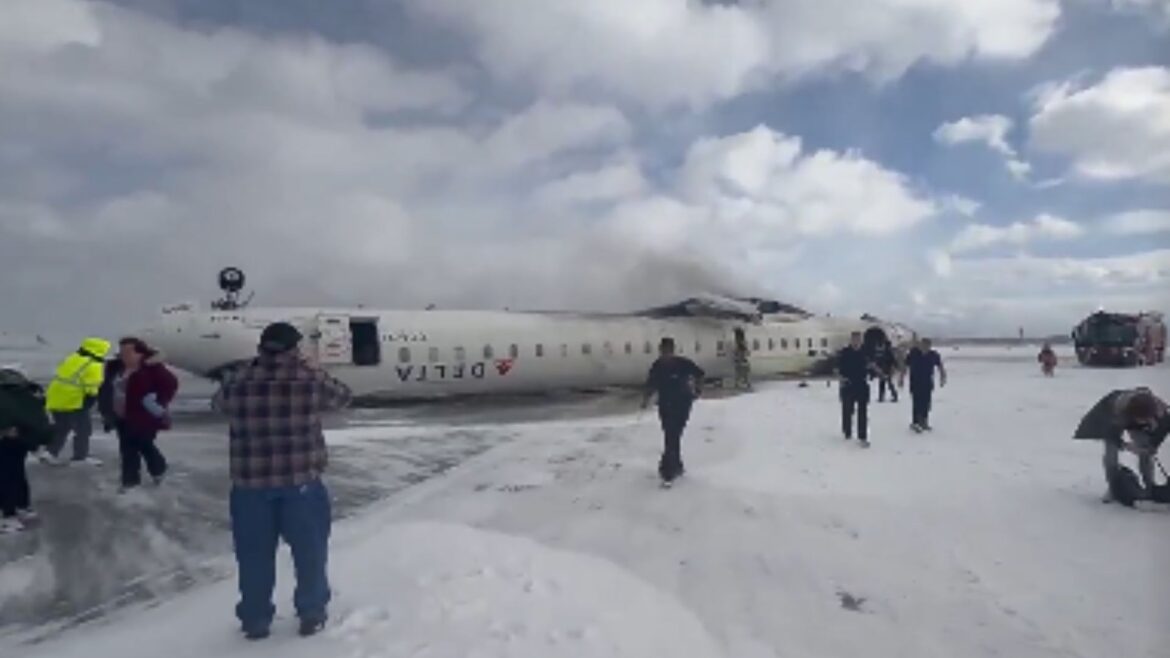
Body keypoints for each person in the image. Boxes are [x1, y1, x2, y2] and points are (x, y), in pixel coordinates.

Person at [212, 322, 352, 640]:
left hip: (249, 487)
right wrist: (311, 369)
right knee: (309, 553)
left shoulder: (239, 379)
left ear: (262, 346)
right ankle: (311, 613)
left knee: (253, 557)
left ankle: (256, 620)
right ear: (294, 348)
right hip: (301, 483)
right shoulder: (308, 378)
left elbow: (218, 404)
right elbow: (343, 397)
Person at [97, 338, 179, 491]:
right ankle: (130, 482)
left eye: (129, 351)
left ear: (140, 353)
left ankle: (158, 470)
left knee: (144, 444)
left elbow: (170, 384)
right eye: (122, 351)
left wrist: (158, 401)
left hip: (144, 416)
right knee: (127, 449)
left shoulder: (151, 368)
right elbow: (106, 390)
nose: (124, 355)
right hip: (121, 416)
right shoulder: (115, 368)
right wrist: (106, 411)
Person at [1073, 387, 1168, 503]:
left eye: (1148, 420)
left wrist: (1151, 446)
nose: (1147, 422)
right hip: (1112, 417)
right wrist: (1126, 446)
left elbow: (1164, 428)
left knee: (1146, 451)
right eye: (1143, 420)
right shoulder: (1114, 411)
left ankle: (1150, 487)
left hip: (1134, 414)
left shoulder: (1159, 410)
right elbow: (1111, 435)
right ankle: (1114, 488)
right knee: (1111, 455)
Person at [641, 337, 705, 484]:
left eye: (668, 351)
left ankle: (668, 470)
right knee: (671, 436)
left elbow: (700, 374)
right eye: (663, 351)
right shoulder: (657, 366)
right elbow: (651, 384)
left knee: (674, 435)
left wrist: (697, 390)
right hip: (665, 405)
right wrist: (645, 399)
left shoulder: (683, 363)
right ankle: (673, 466)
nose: (666, 354)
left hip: (682, 404)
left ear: (672, 350)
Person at [0, 365, 54, 534]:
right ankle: (24, 508)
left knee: (5, 478)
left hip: (6, 441)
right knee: (17, 473)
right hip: (23, 441)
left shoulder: (5, 398)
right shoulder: (30, 395)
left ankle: (9, 516)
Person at [43, 337, 110, 465]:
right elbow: (91, 388)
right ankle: (80, 457)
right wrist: (91, 401)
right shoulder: (93, 365)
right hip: (74, 400)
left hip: (56, 397)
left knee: (61, 427)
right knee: (83, 429)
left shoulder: (73, 358)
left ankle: (50, 452)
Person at [837, 331, 878, 447]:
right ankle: (847, 431)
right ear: (851, 340)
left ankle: (863, 436)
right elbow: (838, 368)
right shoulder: (845, 353)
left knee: (863, 412)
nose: (856, 342)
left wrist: (873, 372)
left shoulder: (866, 353)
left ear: (861, 341)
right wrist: (841, 379)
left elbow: (871, 368)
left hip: (862, 385)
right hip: (848, 385)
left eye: (858, 340)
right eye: (854, 339)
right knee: (847, 410)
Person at [900, 337, 946, 432]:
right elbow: (905, 366)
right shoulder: (913, 353)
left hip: (927, 382)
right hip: (915, 381)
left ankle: (924, 421)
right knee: (917, 401)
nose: (925, 347)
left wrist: (943, 377)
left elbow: (940, 366)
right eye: (924, 345)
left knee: (926, 402)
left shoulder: (934, 355)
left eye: (927, 346)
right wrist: (901, 378)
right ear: (920, 345)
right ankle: (915, 422)